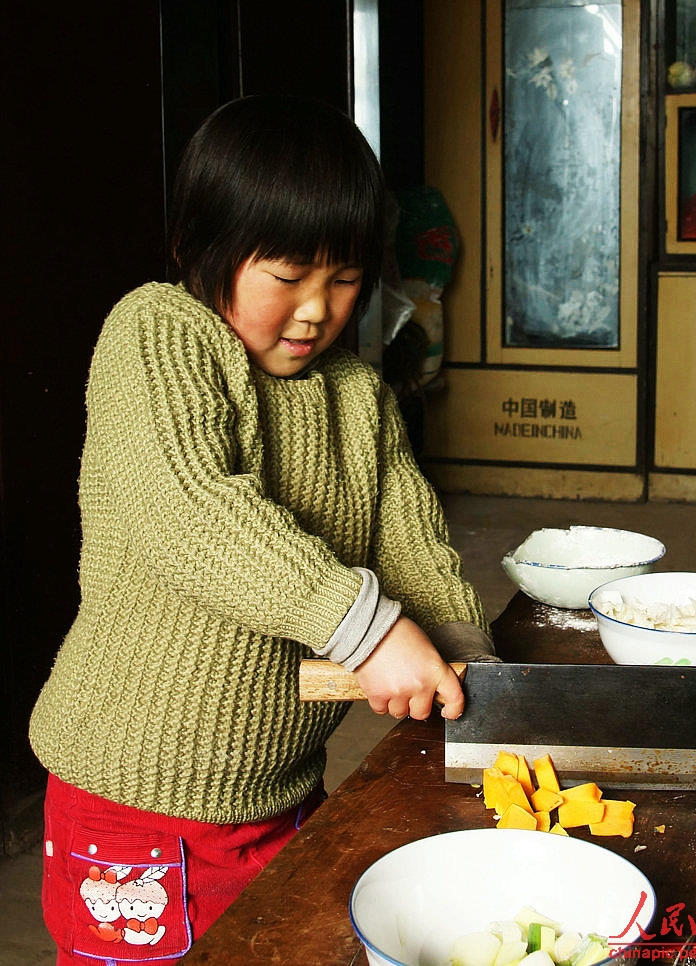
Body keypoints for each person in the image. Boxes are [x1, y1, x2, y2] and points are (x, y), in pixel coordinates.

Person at [28, 94, 497, 965]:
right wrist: (371, 630)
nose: (318, 310)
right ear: (202, 247)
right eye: (288, 276)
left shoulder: (357, 397)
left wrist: (472, 676)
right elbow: (194, 510)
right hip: (134, 806)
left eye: (346, 277)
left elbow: (415, 550)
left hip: (281, 797)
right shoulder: (159, 334)